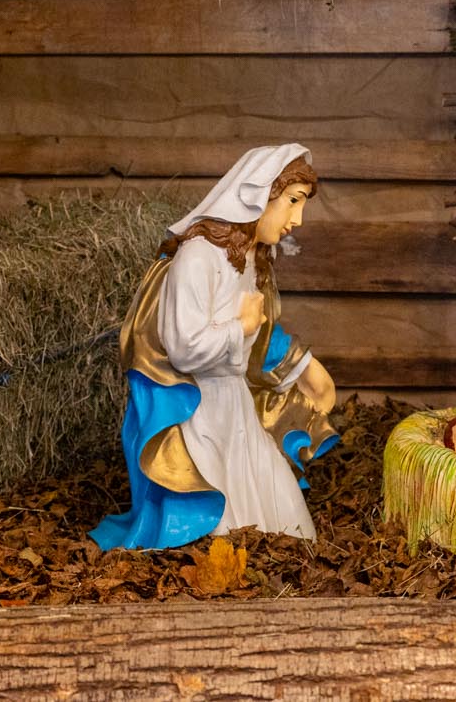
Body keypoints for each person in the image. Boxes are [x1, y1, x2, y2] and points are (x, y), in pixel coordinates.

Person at [90, 144, 339, 549]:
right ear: (259, 193)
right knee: (216, 514)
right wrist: (240, 327)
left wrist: (299, 365)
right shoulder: (197, 257)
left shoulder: (253, 260)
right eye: (293, 201)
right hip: (198, 410)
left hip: (234, 402)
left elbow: (261, 337)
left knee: (279, 512)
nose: (297, 219)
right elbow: (183, 348)